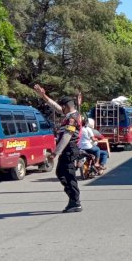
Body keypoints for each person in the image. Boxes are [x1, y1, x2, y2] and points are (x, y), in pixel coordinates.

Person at [34, 85, 83, 213]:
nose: (61, 109)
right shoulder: (69, 115)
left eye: (63, 107)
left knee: (67, 175)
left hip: (70, 150)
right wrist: (43, 95)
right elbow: (55, 106)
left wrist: (55, 153)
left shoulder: (72, 119)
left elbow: (67, 137)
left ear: (67, 106)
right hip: (67, 151)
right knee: (61, 173)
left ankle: (75, 202)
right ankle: (73, 200)